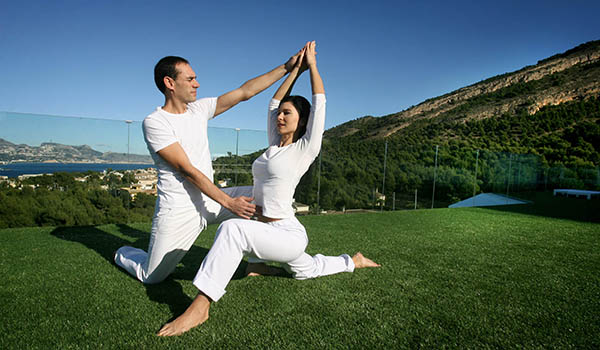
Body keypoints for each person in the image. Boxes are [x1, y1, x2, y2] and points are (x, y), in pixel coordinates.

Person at [157, 41, 379, 337]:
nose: (281, 117)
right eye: (281, 114)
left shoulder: (306, 148)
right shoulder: (274, 146)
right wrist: (293, 71)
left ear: (303, 122)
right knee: (305, 270)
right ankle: (351, 260)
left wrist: (312, 67)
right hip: (266, 232)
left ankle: (201, 306)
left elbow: (320, 102)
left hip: (287, 233)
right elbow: (273, 102)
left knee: (233, 230)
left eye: (288, 114)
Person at [114, 48, 306, 284]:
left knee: (264, 198)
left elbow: (245, 92)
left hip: (210, 200)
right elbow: (187, 169)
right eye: (190, 79)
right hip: (180, 209)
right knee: (151, 276)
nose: (197, 83)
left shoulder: (198, 109)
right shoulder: (155, 122)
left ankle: (257, 264)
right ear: (169, 83)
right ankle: (123, 253)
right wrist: (228, 202)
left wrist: (288, 67)